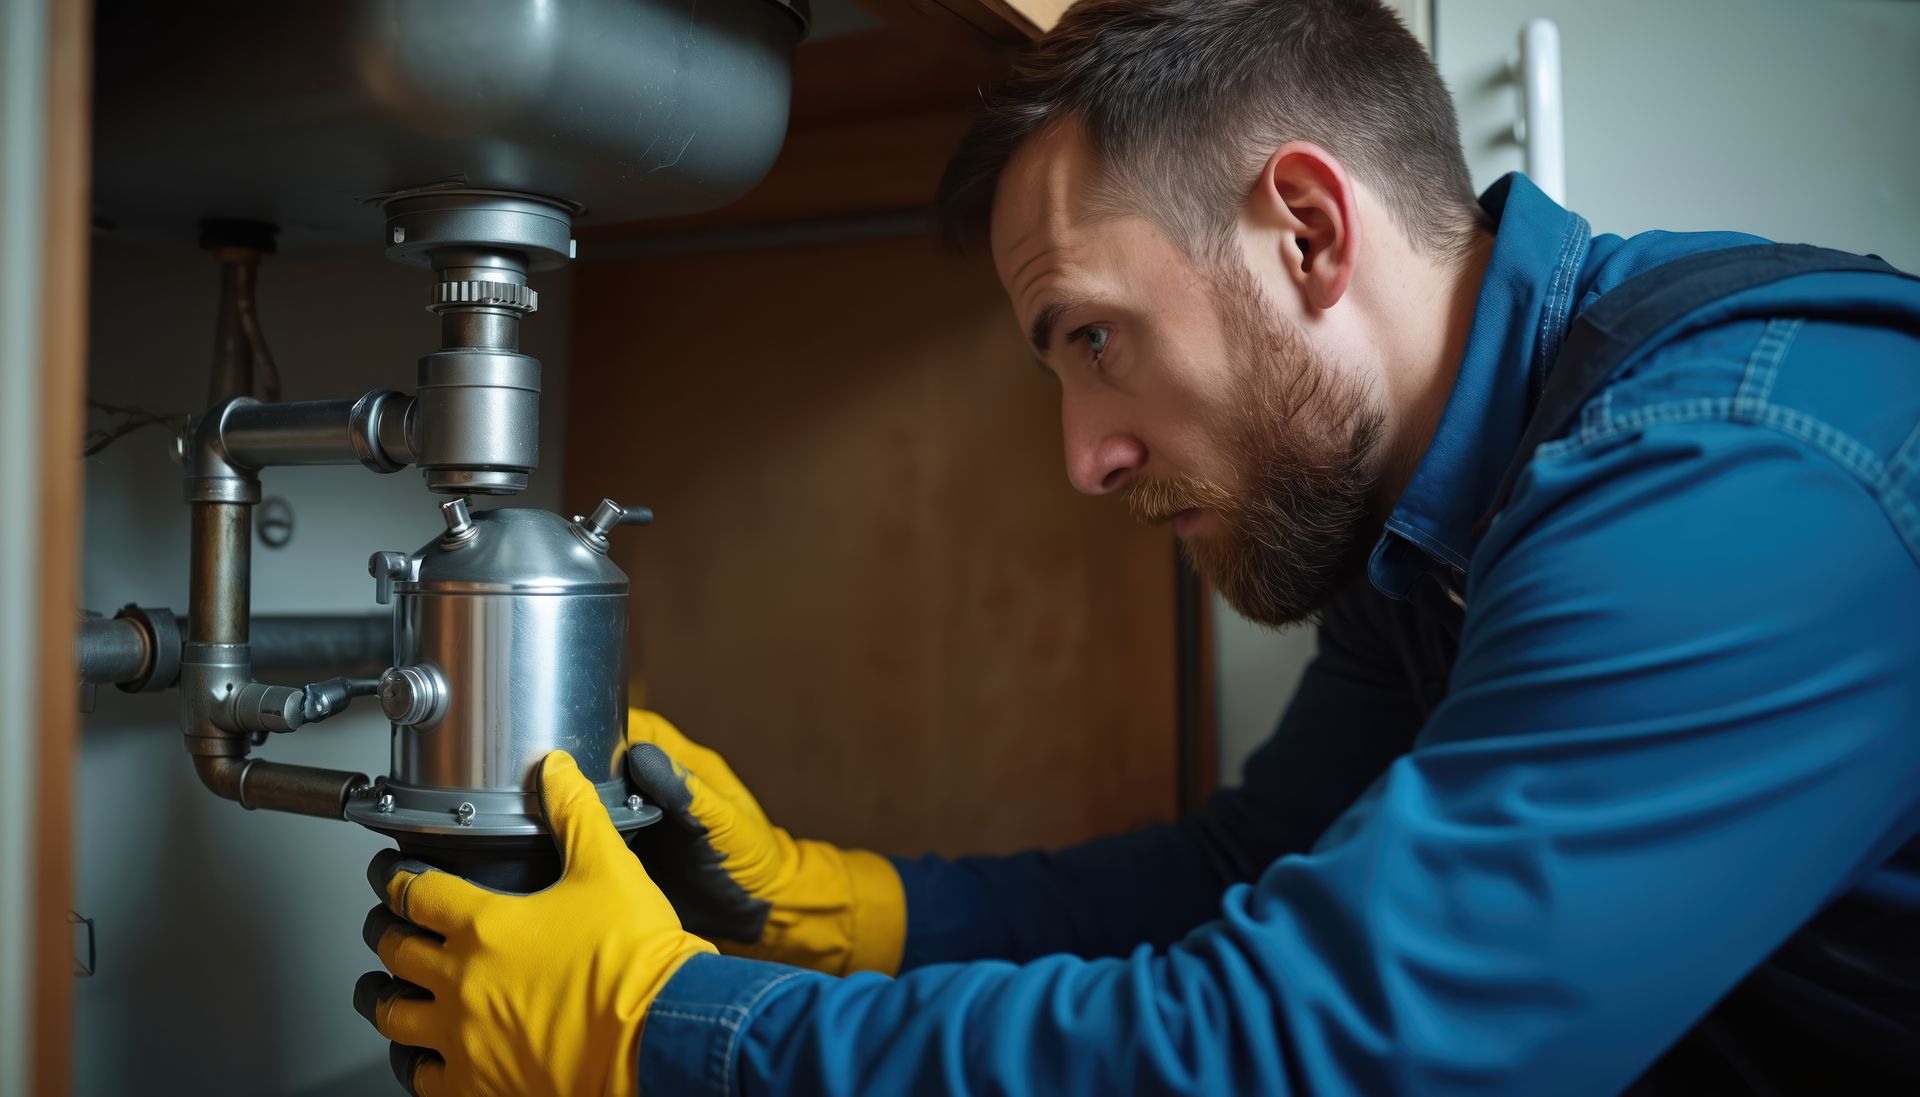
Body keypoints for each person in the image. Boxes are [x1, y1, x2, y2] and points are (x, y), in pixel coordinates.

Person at [350, 1, 1920, 1093]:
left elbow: (1313, 1052)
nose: (1084, 459)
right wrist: (844, 910)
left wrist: (661, 1027)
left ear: (1306, 231)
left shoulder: (1731, 484)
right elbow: (1259, 869)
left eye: (1095, 338)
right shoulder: (1428, 512)